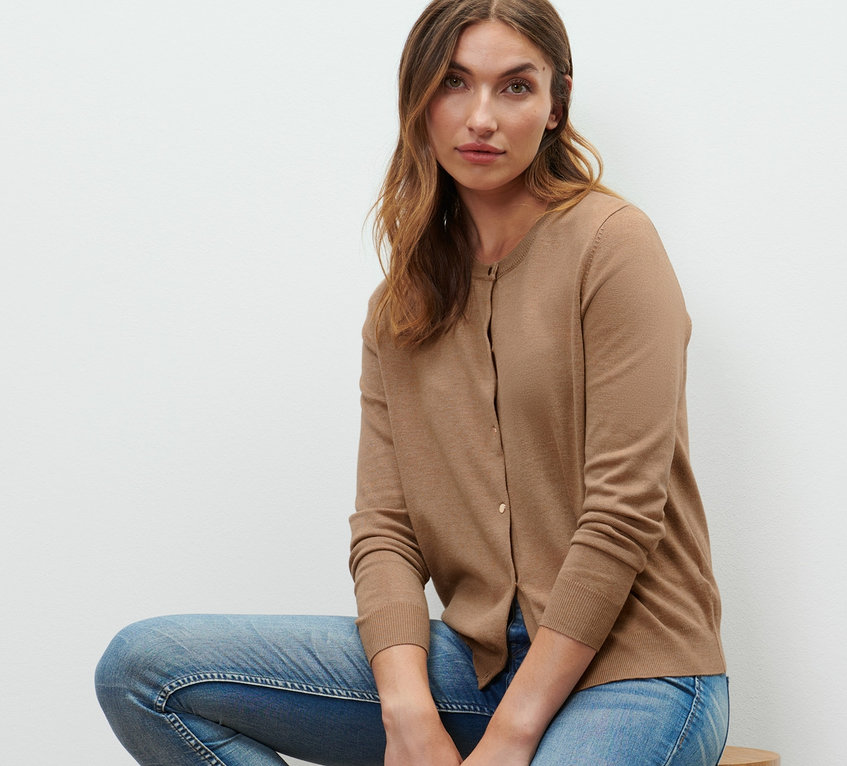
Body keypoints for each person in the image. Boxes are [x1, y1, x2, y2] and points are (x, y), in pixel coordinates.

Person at [95, 1, 728, 764]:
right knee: (147, 670)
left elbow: (622, 515)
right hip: (475, 665)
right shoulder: (399, 307)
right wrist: (407, 715)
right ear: (418, 100)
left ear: (557, 103)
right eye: (454, 83)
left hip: (636, 672)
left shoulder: (613, 246)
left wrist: (511, 736)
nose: (482, 117)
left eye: (515, 87)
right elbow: (386, 531)